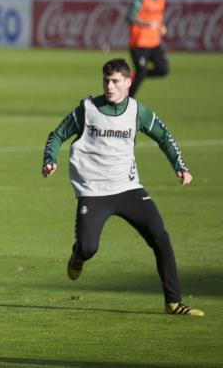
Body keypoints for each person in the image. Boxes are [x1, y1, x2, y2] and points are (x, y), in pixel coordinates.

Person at [41, 58, 203, 317]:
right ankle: (77, 257)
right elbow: (57, 134)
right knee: (88, 247)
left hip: (128, 189)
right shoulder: (88, 108)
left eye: (115, 81)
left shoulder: (138, 111)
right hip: (93, 191)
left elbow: (164, 136)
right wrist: (50, 160)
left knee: (160, 236)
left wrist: (180, 166)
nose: (110, 86)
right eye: (106, 81)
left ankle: (173, 302)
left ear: (128, 83)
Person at [126, 0, 169, 97]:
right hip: (139, 43)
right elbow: (129, 17)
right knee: (142, 72)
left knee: (163, 70)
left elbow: (157, 17)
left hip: (154, 42)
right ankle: (127, 102)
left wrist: (161, 26)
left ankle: (133, 75)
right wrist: (145, 24)